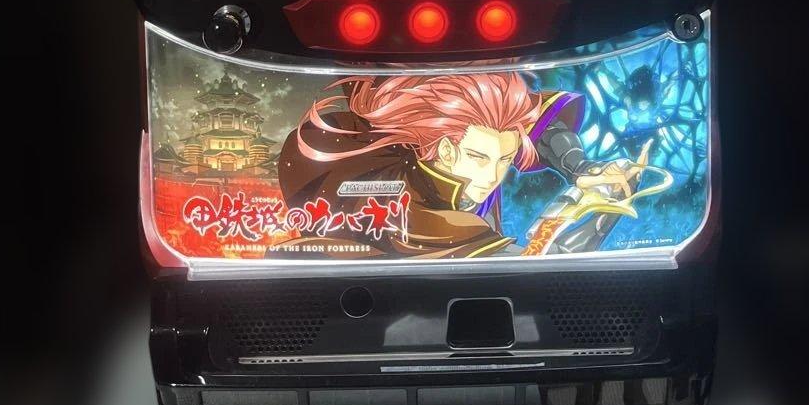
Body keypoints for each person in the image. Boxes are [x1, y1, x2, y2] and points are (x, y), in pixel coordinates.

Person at [278, 72, 649, 258]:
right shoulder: (421, 211)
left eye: (505, 160)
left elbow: (539, 125)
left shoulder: (468, 153)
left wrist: (581, 168)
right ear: (445, 151)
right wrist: (604, 214)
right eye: (479, 158)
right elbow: (534, 263)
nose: (492, 177)